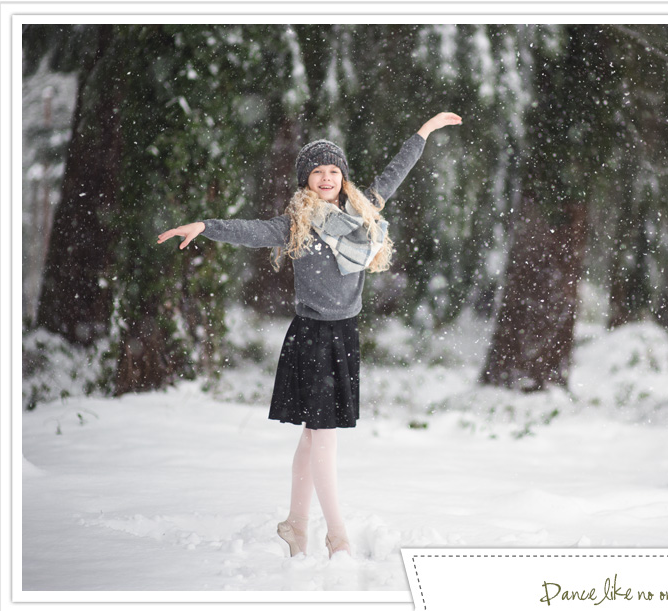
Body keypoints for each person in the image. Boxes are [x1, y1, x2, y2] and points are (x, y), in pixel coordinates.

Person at [157, 112, 462, 559]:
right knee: (324, 434)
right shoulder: (295, 223)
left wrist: (424, 132)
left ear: (342, 177)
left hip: (345, 334)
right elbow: (252, 232)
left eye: (333, 170)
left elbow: (395, 171)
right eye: (317, 171)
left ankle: (296, 525)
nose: (326, 178)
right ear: (306, 180)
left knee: (312, 434)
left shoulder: (363, 211)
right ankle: (337, 536)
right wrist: (205, 226)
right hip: (312, 336)